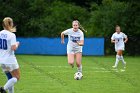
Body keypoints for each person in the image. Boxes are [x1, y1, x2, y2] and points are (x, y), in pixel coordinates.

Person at [0, 17, 20, 93]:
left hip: (1, 60)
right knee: (16, 77)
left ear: (3, 24)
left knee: (10, 78)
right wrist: (17, 44)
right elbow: (14, 48)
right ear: (11, 24)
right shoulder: (11, 35)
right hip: (10, 60)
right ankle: (3, 89)